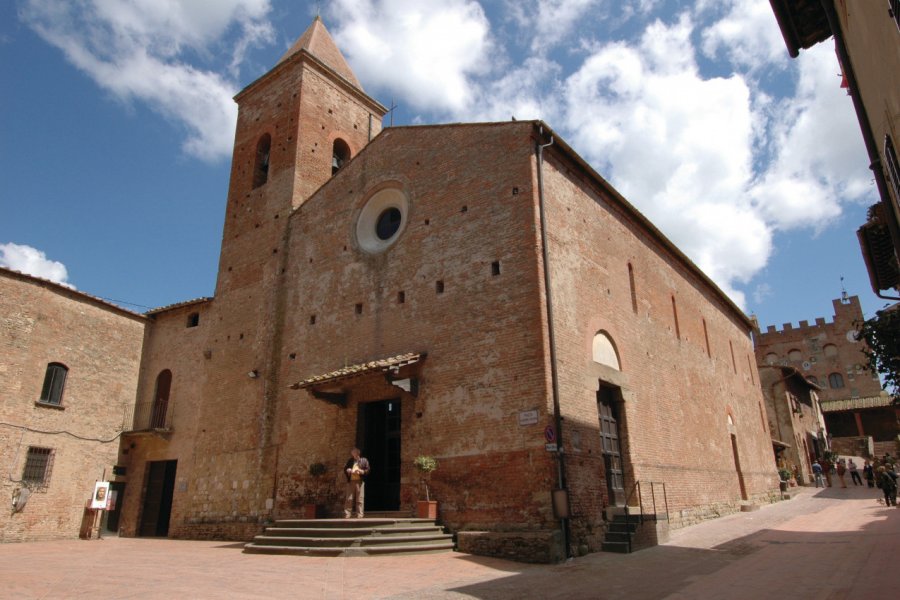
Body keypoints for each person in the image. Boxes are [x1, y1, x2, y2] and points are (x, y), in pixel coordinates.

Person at [343, 447, 370, 518]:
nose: (353, 454)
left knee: (360, 498)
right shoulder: (350, 461)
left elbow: (368, 469)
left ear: (358, 453)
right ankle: (347, 514)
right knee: (349, 498)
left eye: (355, 452)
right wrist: (348, 470)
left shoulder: (364, 460)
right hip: (351, 481)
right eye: (352, 453)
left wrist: (362, 471)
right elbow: (345, 469)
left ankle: (360, 514)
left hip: (359, 481)